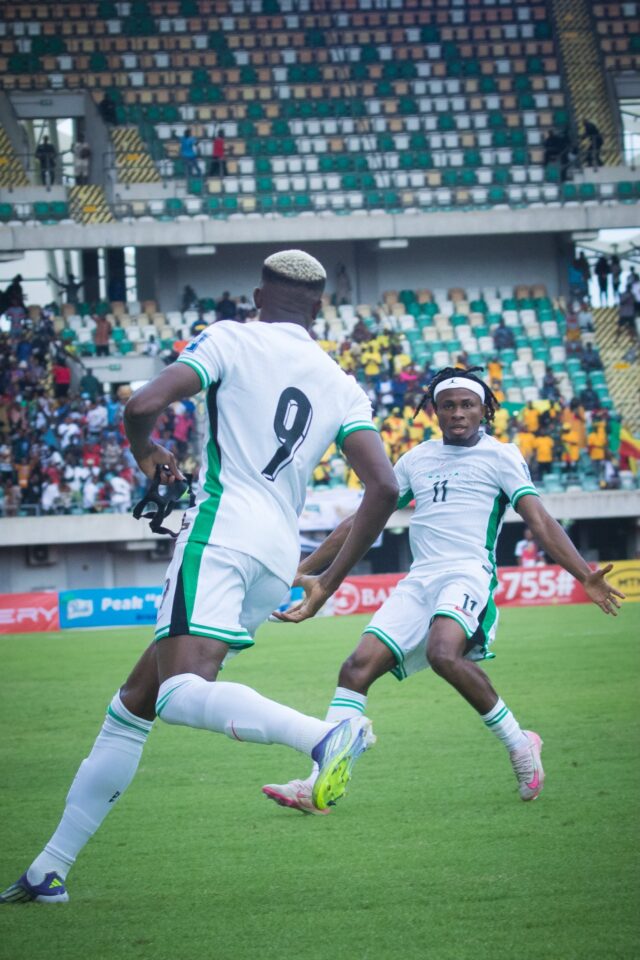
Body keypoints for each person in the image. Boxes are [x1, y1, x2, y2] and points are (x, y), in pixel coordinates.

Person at [0, 250, 399, 905]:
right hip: (277, 555)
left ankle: (326, 735)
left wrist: (147, 452)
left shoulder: (230, 338)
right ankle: (50, 868)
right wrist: (326, 580)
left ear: (256, 297)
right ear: (319, 308)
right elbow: (383, 486)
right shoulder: (338, 380)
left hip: (221, 531)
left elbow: (143, 404)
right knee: (132, 704)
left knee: (181, 693)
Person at [262, 367, 623, 814]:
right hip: (419, 581)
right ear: (433, 411)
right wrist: (302, 567)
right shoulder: (415, 459)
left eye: (467, 405)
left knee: (443, 653)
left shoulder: (502, 456)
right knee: (355, 669)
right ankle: (318, 784)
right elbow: (360, 521)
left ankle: (520, 743)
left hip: (467, 574)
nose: (457, 413)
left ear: (485, 410)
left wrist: (582, 573)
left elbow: (541, 521)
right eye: (448, 405)